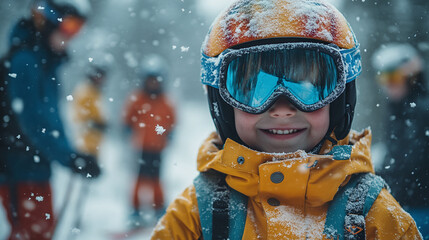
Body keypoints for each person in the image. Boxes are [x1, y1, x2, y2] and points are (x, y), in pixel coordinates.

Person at [150, 0, 422, 239]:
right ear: (222, 103)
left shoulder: (372, 214)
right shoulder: (200, 213)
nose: (282, 109)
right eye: (254, 88)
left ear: (340, 100)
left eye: (307, 86)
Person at [0, 0, 100, 239]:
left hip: (34, 166)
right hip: (18, 166)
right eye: (69, 27)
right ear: (48, 20)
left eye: (78, 29)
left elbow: (52, 119)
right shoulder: (25, 61)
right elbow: (33, 120)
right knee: (33, 233)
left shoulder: (44, 62)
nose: (72, 36)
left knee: (35, 232)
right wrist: (69, 158)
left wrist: (72, 154)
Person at [372, 43, 429, 237]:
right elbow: (394, 155)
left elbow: (412, 160)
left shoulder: (422, 110)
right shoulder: (396, 110)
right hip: (402, 204)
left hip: (422, 207)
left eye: (394, 78)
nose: (389, 85)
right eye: (384, 79)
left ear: (410, 78)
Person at [123, 54, 176, 228]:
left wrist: (170, 133)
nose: (153, 84)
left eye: (156, 80)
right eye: (150, 80)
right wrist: (127, 127)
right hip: (140, 147)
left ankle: (158, 208)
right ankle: (135, 210)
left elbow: (171, 120)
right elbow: (128, 116)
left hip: (158, 148)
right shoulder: (137, 98)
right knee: (139, 179)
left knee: (156, 180)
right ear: (144, 80)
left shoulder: (165, 101)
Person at [72, 62, 108, 157]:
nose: (101, 79)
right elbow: (79, 118)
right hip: (84, 145)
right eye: (99, 75)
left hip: (94, 144)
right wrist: (95, 124)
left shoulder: (95, 92)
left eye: (103, 75)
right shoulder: (85, 91)